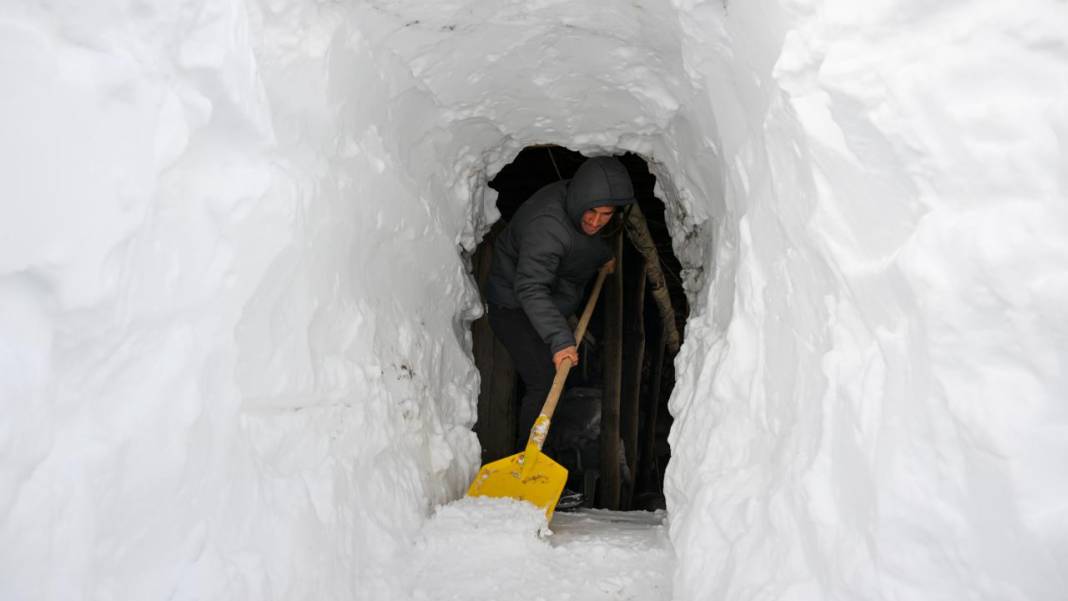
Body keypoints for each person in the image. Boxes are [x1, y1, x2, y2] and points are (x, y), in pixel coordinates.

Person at [486, 156, 636, 454]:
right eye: (591, 212)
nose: (595, 221)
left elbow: (580, 241)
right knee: (543, 381)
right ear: (579, 200)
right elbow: (530, 286)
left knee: (552, 378)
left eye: (605, 214)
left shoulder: (577, 214)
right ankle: (525, 466)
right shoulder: (547, 225)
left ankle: (538, 463)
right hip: (513, 305)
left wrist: (601, 256)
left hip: (547, 302)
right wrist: (559, 340)